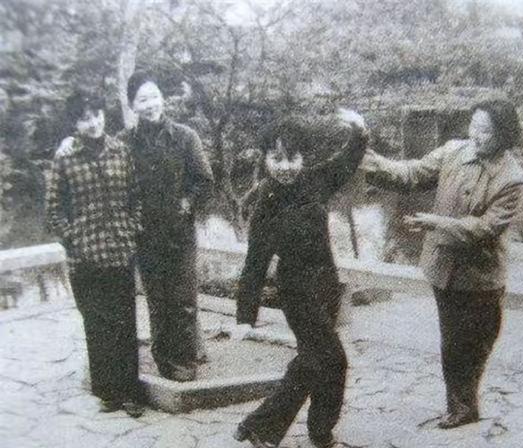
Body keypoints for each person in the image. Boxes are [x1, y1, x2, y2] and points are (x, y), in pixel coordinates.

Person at [362, 99, 523, 429]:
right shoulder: (454, 151)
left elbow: (485, 228)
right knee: (453, 342)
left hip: (481, 278)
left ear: (504, 135)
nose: (475, 135)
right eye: (474, 126)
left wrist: (437, 223)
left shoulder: (512, 179)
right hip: (446, 270)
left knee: (479, 341)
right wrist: (368, 158)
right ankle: (461, 407)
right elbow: (411, 173)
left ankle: (464, 403)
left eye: (485, 130)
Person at [231, 109, 368, 448]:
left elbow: (348, 160)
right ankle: (283, 427)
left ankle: (304, 430)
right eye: (276, 158)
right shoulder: (265, 202)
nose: (285, 167)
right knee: (333, 358)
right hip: (296, 291)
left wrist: (359, 132)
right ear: (265, 159)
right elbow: (255, 263)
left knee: (314, 361)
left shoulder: (317, 180)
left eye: (292, 158)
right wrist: (245, 316)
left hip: (326, 285)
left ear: (303, 157)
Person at [46, 89, 144, 417]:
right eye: (85, 118)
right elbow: (54, 210)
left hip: (119, 251)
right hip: (84, 257)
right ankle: (108, 393)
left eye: (97, 115)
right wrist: (76, 240)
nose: (93, 123)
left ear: (104, 115)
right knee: (97, 323)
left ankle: (130, 393)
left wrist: (131, 231)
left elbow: (135, 198)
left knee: (124, 322)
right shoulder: (65, 157)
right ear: (75, 123)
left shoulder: (121, 151)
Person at [123, 71, 215, 382]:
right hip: (145, 235)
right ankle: (164, 359)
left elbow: (204, 181)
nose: (150, 105)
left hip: (180, 233)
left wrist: (186, 203)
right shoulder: (125, 143)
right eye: (142, 100)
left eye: (154, 97)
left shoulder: (185, 137)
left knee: (184, 300)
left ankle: (186, 361)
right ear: (133, 105)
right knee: (158, 301)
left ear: (162, 98)